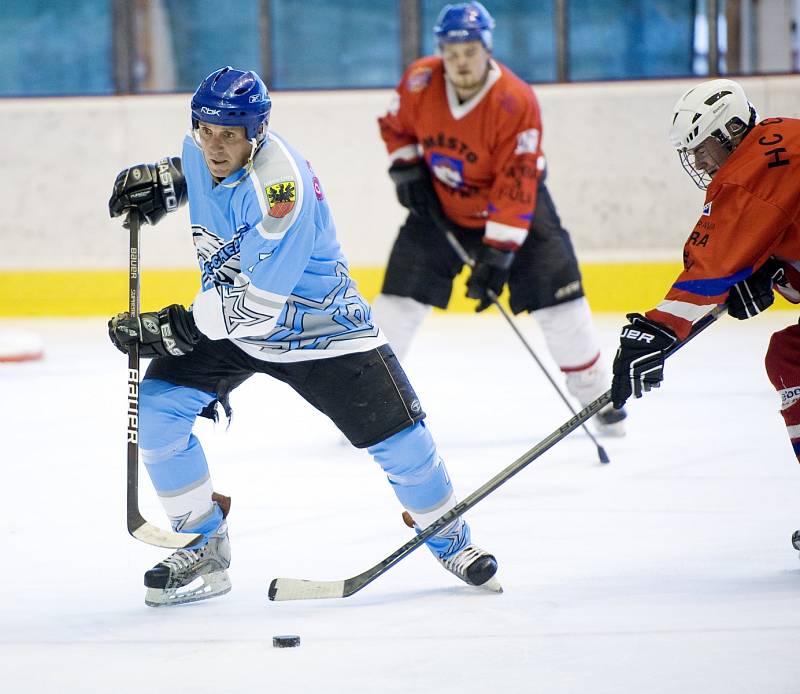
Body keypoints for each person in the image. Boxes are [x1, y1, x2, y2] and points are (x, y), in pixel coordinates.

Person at [107, 66, 501, 607]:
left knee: (403, 443)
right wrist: (172, 183)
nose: (214, 146)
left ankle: (450, 538)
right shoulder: (199, 150)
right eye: (205, 130)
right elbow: (204, 179)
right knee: (155, 411)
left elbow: (256, 307)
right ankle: (202, 545)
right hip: (230, 317)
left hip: (322, 330)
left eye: (230, 135)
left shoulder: (281, 190)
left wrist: (177, 326)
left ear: (257, 133)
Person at [372, 1, 626, 435]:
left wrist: (498, 255)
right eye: (450, 53)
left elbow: (517, 179)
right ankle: (371, 401)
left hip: (517, 211)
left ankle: (598, 397)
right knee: (397, 302)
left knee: (560, 304)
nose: (460, 62)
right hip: (442, 205)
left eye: (469, 51)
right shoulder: (419, 80)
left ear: (487, 49)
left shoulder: (515, 100)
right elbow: (396, 126)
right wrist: (406, 167)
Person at [610, 78, 800, 544]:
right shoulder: (782, 137)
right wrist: (773, 273)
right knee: (790, 356)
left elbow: (710, 265)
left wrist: (655, 332)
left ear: (734, 129)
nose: (699, 163)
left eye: (705, 148)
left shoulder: (754, 169)